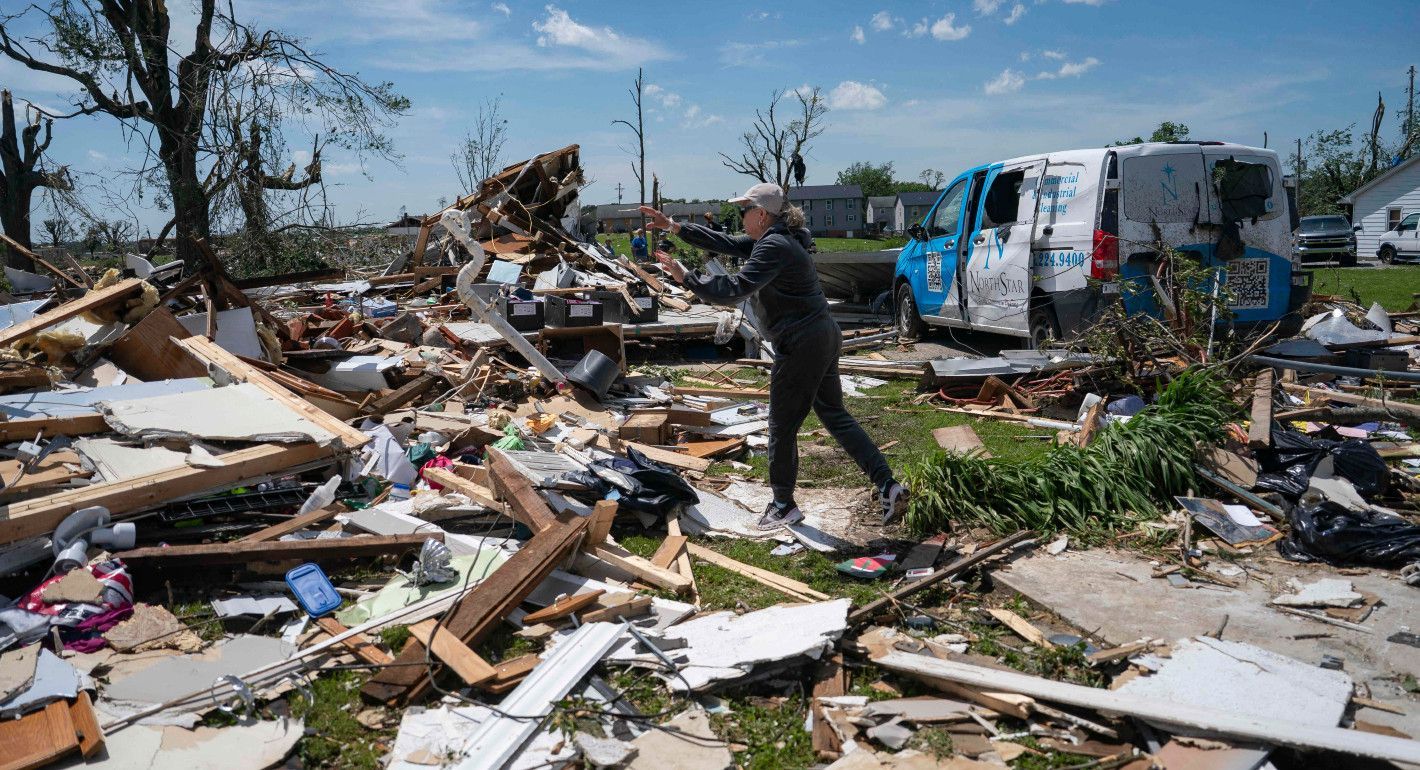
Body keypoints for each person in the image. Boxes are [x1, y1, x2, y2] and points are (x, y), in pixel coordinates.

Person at [640, 183, 910, 530]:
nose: (740, 217)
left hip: (801, 343)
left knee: (782, 426)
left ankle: (783, 505)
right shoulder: (778, 240)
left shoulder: (774, 247)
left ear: (761, 214)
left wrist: (686, 277)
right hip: (822, 335)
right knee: (834, 415)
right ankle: (888, 485)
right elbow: (726, 243)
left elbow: (735, 289)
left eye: (744, 211)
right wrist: (674, 227)